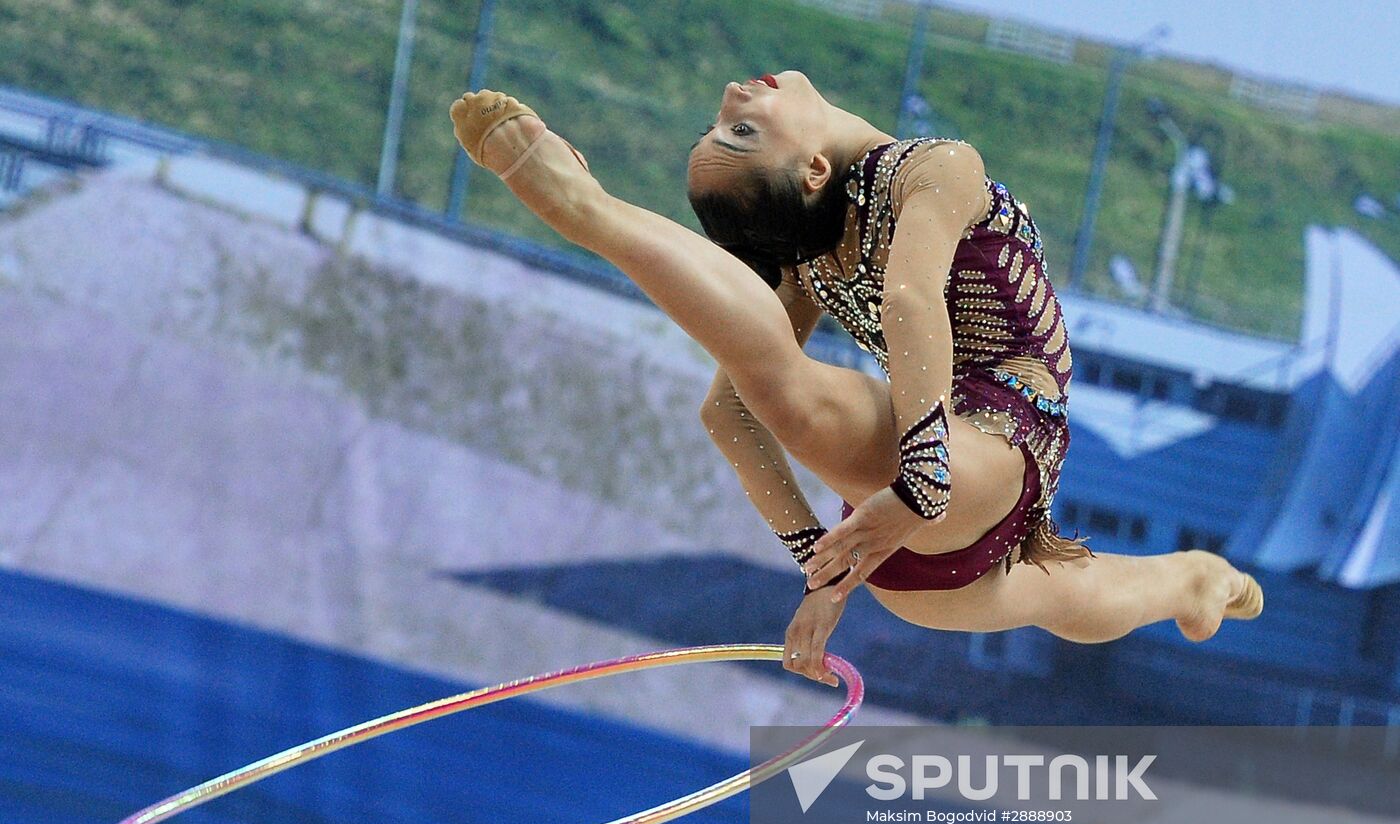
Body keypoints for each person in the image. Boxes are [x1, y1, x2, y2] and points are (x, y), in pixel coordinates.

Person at [448, 71, 1263, 688]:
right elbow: (750, 400)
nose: (732, 94)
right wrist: (834, 562)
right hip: (937, 480)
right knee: (1057, 595)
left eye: (725, 127)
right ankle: (592, 212)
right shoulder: (922, 177)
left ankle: (1188, 580)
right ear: (810, 170)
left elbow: (878, 323)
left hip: (969, 458)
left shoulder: (924, 179)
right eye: (740, 130)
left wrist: (885, 516)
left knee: (1061, 594)